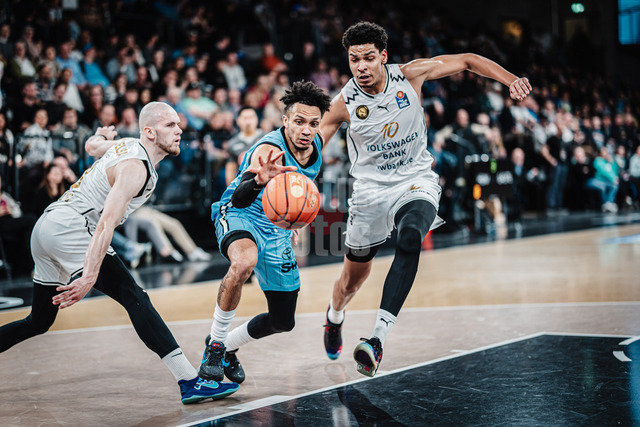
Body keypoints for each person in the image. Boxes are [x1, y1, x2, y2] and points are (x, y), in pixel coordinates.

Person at [318, 22, 531, 377]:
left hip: (415, 180)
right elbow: (314, 146)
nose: (361, 66)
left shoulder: (410, 75)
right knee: (351, 281)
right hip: (370, 192)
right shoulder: (343, 102)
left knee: (411, 236)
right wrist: (293, 171)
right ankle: (334, 315)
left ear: (383, 56)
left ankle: (377, 339)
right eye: (354, 60)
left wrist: (510, 80)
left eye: (369, 58)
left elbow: (467, 60)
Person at [0, 102, 239, 404]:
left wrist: (101, 136)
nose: (179, 130)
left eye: (178, 124)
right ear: (149, 132)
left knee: (39, 321)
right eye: (170, 125)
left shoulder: (127, 144)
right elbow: (105, 224)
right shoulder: (135, 168)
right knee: (134, 295)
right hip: (72, 227)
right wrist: (89, 276)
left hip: (47, 227)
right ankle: (190, 381)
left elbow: (92, 146)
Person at [198, 81, 331, 384]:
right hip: (240, 213)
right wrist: (259, 180)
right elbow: (239, 198)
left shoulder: (317, 144)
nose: (306, 130)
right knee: (243, 262)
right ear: (285, 120)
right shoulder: (269, 150)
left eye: (313, 124)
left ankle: (229, 346)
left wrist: (290, 219)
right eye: (299, 122)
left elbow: (341, 109)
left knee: (283, 321)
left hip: (275, 226)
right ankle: (215, 346)